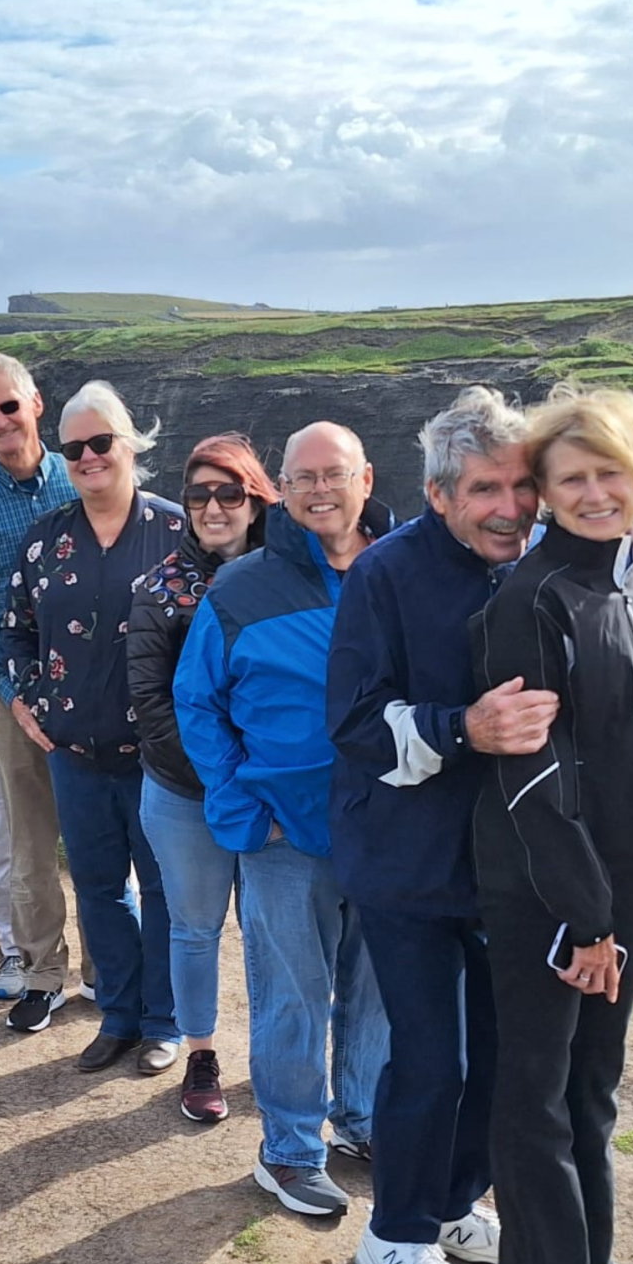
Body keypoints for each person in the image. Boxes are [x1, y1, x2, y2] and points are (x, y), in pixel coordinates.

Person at [329, 389, 560, 1264]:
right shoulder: (384, 575)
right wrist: (465, 728)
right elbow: (352, 727)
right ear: (438, 495)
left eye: (520, 486)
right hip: (407, 865)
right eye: (484, 490)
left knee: (499, 1061)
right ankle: (394, 1235)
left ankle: (457, 1207)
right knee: (431, 1062)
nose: (509, 508)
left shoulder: (541, 564)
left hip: (507, 868)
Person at [469, 383, 633, 1264]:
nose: (596, 494)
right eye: (572, 480)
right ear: (546, 490)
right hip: (545, 894)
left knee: (593, 1092)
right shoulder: (531, 599)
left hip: (620, 888)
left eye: (613, 472)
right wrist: (589, 919)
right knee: (536, 1102)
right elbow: (536, 779)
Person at [173, 421, 393, 1220]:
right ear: (284, 493)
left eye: (334, 474)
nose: (319, 491)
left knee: (376, 990)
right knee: (292, 997)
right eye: (302, 478)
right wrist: (241, 808)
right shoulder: (241, 590)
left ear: (366, 478)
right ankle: (290, 1151)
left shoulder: (404, 572)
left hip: (389, 829)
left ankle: (361, 1120)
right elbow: (196, 701)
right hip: (283, 837)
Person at [2, 381, 186, 1073]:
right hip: (73, 753)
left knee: (165, 888)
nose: (86, 457)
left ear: (130, 443)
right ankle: (120, 1015)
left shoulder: (177, 533)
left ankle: (165, 1021)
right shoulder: (45, 539)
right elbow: (15, 631)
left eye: (100, 442)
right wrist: (26, 698)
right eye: (73, 448)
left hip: (159, 761)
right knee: (100, 887)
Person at [128, 432, 279, 1121]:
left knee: (273, 929)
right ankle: (201, 1056)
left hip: (276, 790)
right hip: (185, 792)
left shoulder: (289, 578)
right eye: (198, 494)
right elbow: (151, 705)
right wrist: (224, 778)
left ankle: (280, 1059)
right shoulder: (159, 590)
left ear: (256, 498)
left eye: (229, 492)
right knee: (194, 928)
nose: (213, 507)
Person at [0, 353, 92, 1030]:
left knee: (104, 835)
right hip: (12, 696)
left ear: (35, 403)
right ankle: (42, 972)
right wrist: (6, 687)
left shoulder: (85, 474)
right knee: (30, 844)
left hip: (97, 688)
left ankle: (111, 972)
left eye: (8, 405)